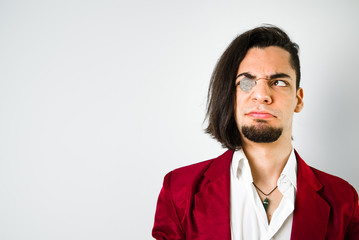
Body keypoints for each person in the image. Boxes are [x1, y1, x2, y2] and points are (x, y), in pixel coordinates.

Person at [152, 25, 359, 240]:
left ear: (298, 99)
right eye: (246, 82)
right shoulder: (179, 191)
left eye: (278, 82)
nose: (261, 95)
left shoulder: (343, 200)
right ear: (230, 96)